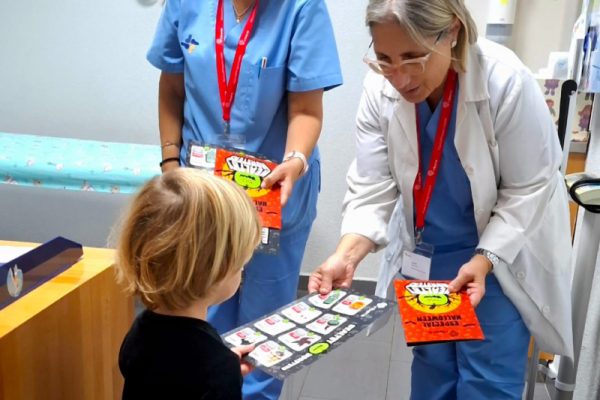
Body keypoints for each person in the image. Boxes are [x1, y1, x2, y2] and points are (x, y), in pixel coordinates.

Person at [308, 1, 573, 399]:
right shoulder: (380, 88)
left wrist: (484, 260)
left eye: (412, 57)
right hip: (427, 257)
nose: (397, 77)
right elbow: (372, 184)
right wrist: (347, 254)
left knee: (486, 382)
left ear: (451, 31)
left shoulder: (505, 81)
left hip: (496, 264)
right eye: (384, 59)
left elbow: (529, 188)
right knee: (431, 377)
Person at [147, 0, 342, 397]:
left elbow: (306, 108)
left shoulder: (301, 8)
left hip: (275, 187)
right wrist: (170, 162)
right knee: (201, 306)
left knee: (265, 320)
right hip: (204, 191)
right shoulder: (186, 5)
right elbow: (172, 87)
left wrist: (296, 159)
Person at [115, 168, 261, 399]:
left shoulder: (140, 331)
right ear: (218, 270)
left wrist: (223, 366)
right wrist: (224, 374)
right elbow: (196, 370)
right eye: (240, 264)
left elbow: (174, 371)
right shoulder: (216, 368)